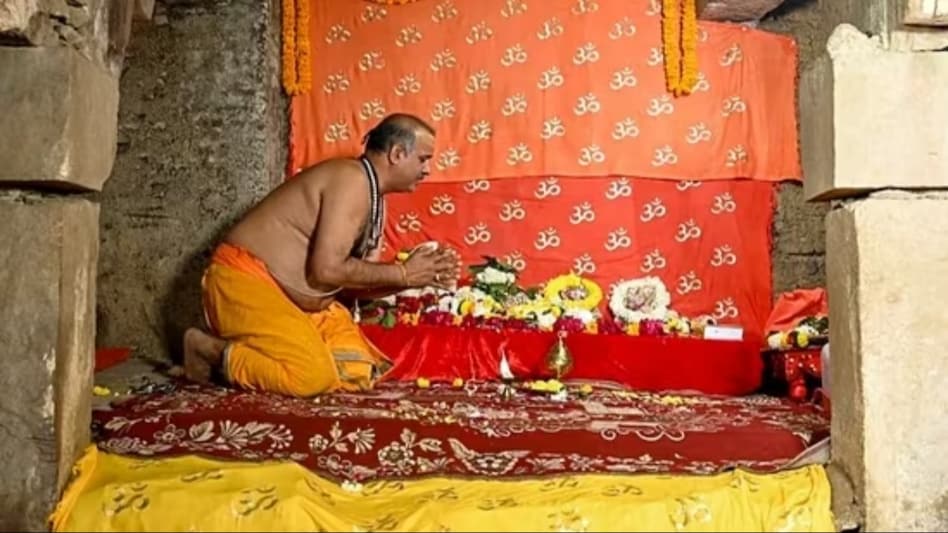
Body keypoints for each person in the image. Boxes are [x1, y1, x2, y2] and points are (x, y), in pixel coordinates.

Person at [180, 113, 461, 397]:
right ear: (398, 154)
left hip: (295, 302)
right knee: (310, 377)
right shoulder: (351, 179)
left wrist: (414, 279)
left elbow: (355, 287)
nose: (427, 170)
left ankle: (257, 355)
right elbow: (326, 270)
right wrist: (402, 273)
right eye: (424, 159)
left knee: (355, 370)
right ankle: (209, 350)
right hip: (243, 281)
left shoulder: (376, 198)